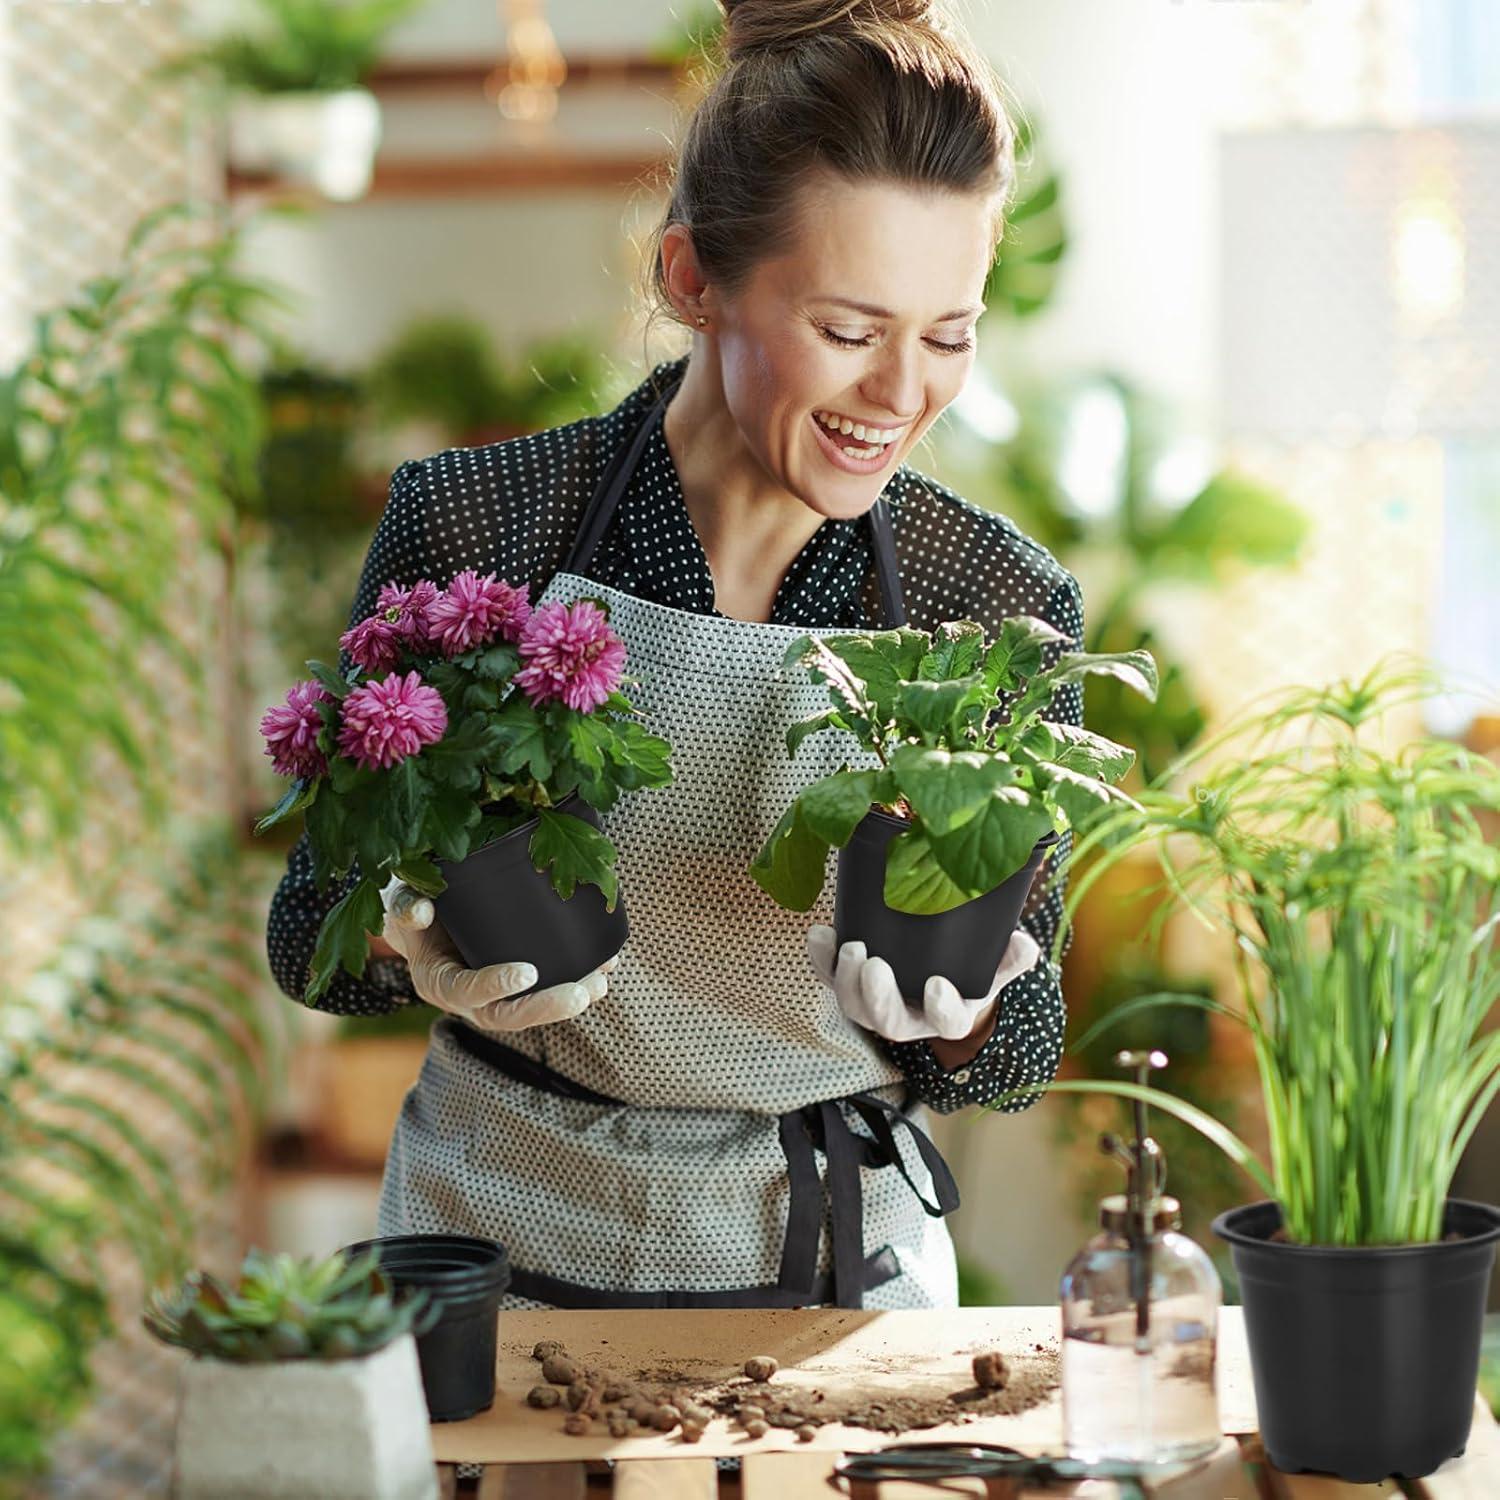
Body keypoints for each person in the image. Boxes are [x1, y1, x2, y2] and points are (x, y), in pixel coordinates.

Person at [266, 0, 1084, 1313]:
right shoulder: (488, 526)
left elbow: (1020, 1055)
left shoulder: (988, 598)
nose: (900, 395)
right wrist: (407, 943)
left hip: (825, 1274)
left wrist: (970, 1005)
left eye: (947, 336)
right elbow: (309, 926)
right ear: (692, 277)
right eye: (849, 328)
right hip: (490, 1252)